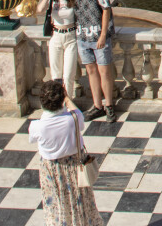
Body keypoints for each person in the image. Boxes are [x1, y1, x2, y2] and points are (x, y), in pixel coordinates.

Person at [28, 80, 101, 226]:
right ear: (62, 100)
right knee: (80, 204)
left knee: (57, 205)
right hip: (75, 167)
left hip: (52, 171)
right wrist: (67, 98)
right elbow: (77, 113)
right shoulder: (73, 119)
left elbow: (32, 139)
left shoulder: (37, 126)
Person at [68, 0, 116, 122]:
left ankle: (109, 105)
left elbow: (106, 9)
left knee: (104, 72)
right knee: (91, 72)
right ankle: (97, 106)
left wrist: (103, 34)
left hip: (98, 36)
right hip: (82, 36)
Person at [38, 0, 80, 98]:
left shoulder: (72, 0)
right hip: (56, 37)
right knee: (56, 75)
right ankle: (57, 103)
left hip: (70, 37)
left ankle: (68, 102)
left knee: (68, 75)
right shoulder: (52, 1)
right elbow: (40, 9)